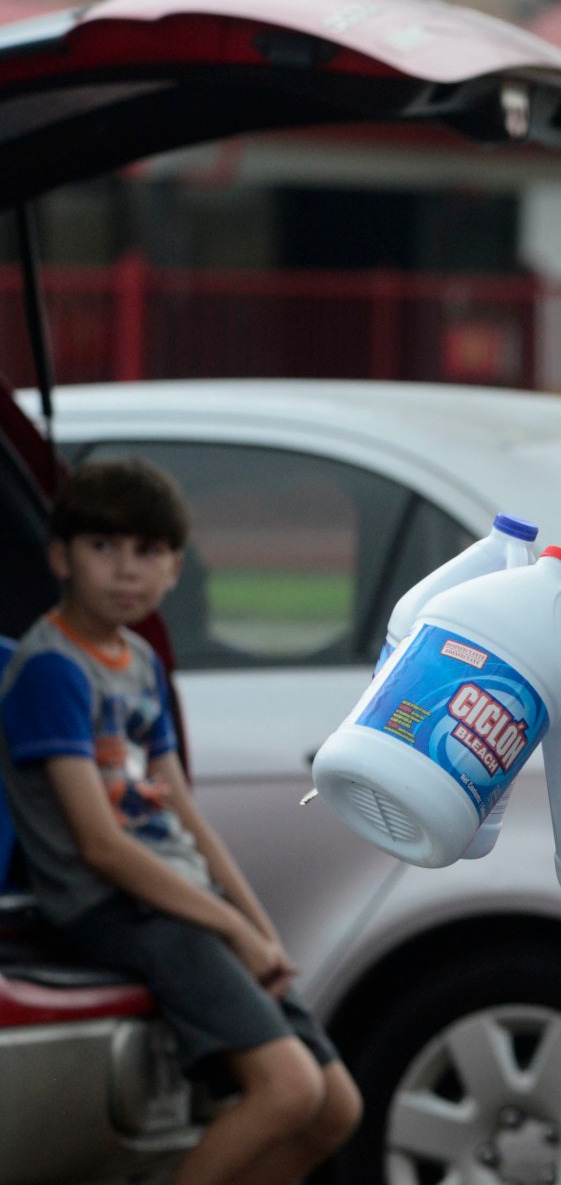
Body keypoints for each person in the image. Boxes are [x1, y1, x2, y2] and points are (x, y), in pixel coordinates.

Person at [0, 459, 360, 1185]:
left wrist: (258, 927)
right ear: (60, 556)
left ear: (174, 570)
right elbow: (100, 845)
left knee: (335, 1108)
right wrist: (229, 928)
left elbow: (186, 815)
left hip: (180, 899)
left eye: (149, 552)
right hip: (120, 906)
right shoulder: (52, 670)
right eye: (104, 547)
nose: (126, 570)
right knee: (288, 1089)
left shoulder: (139, 663)